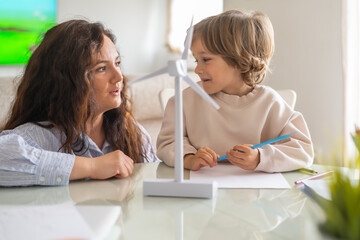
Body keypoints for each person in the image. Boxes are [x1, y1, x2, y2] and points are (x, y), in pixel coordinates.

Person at [0, 19, 159, 187]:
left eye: (117, 63)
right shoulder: (42, 135)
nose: (119, 77)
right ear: (68, 81)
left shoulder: (133, 133)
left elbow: (155, 181)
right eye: (102, 68)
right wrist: (92, 166)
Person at [157, 10, 314, 172]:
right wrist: (189, 158)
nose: (197, 69)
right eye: (197, 60)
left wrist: (261, 157)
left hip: (258, 194)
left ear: (239, 60)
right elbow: (167, 143)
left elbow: (303, 149)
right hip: (202, 190)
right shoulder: (185, 101)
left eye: (206, 60)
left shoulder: (271, 103)